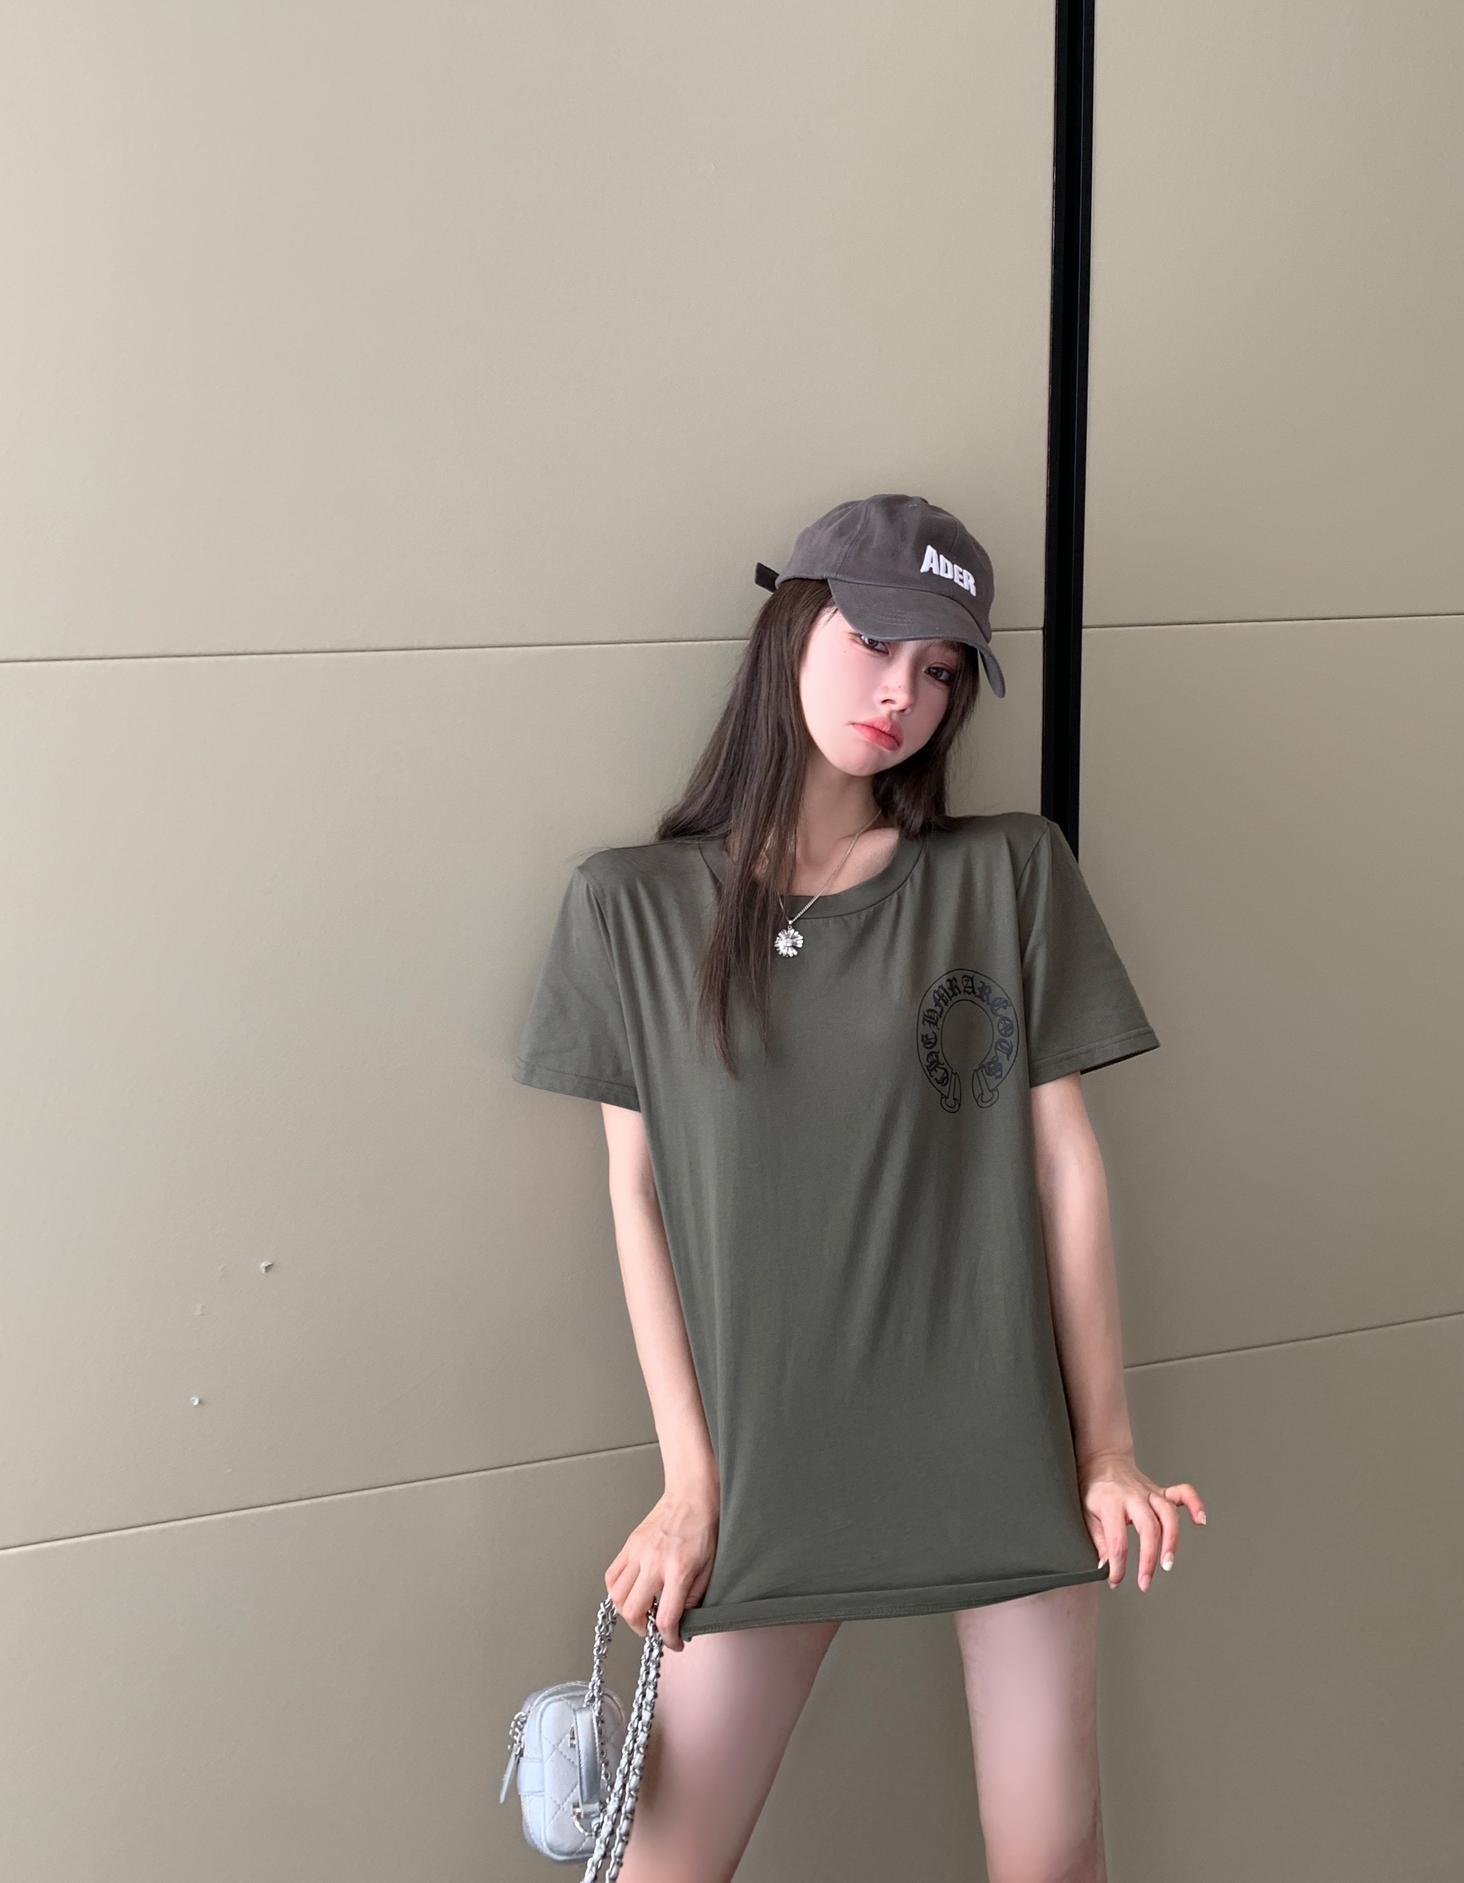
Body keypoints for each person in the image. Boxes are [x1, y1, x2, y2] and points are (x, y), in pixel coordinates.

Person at [511, 493, 1207, 1882]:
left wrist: (1108, 1447)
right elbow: (637, 1201)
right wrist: (692, 1482)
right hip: (770, 1475)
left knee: (1054, 1862)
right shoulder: (629, 908)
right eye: (874, 643)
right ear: (790, 628)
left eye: (941, 670)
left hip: (1001, 1454)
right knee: (661, 1868)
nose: (903, 694)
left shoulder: (1008, 875)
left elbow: (1066, 1168)